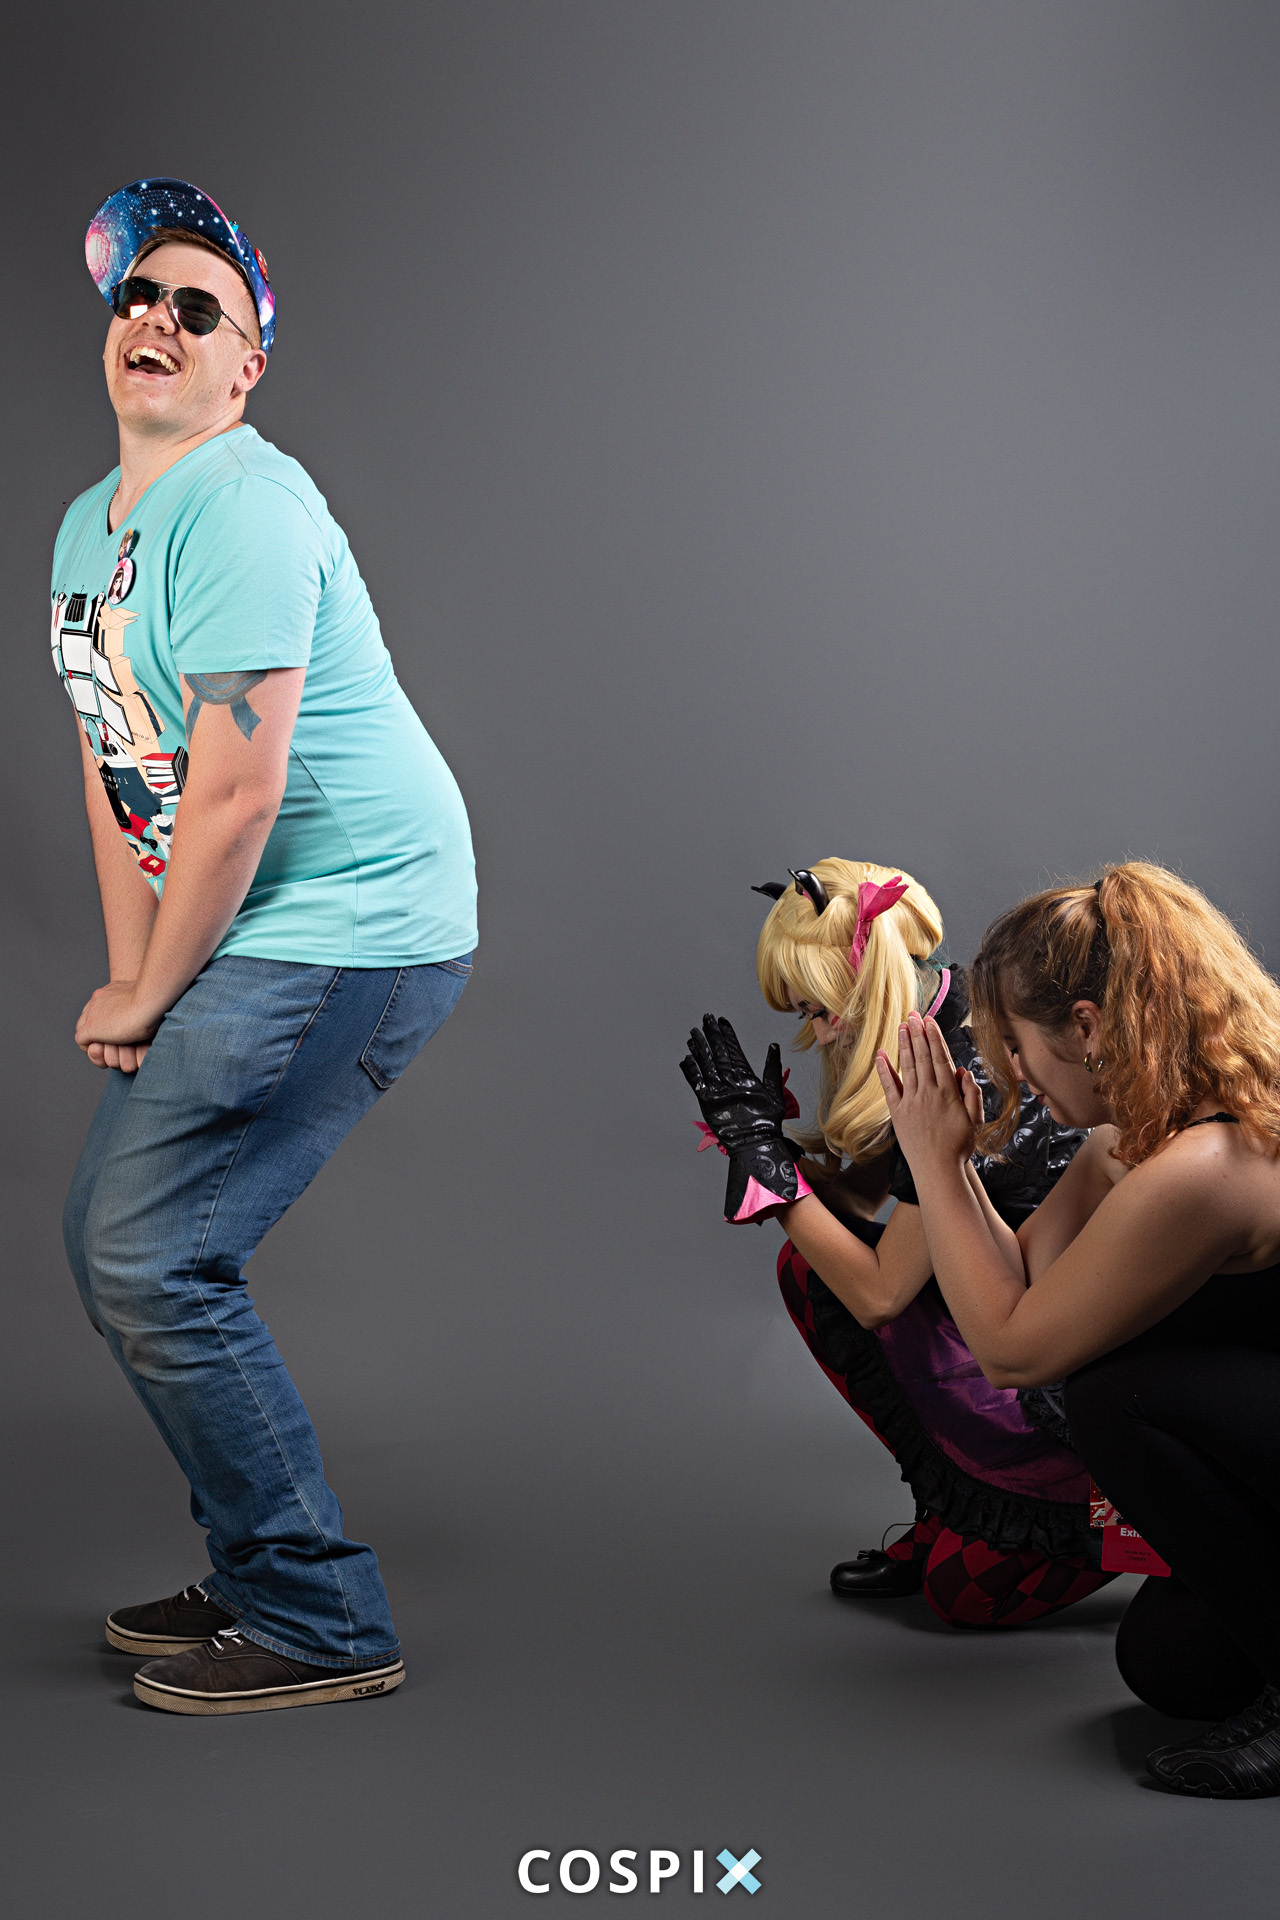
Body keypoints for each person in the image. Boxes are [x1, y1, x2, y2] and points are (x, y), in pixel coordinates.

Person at [54, 179, 477, 1715]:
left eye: (198, 307)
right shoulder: (88, 529)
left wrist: (158, 987)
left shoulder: (243, 504)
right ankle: (259, 1570)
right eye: (136, 297)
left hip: (355, 919)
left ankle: (317, 1612)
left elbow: (233, 795)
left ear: (246, 366)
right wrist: (133, 986)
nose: (156, 321)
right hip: (249, 922)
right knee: (124, 1244)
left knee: (147, 1251)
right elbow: (122, 770)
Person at [877, 861, 1280, 1798]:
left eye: (1017, 1047)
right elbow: (1024, 1280)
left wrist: (931, 1169)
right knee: (1171, 1668)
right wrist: (951, 1163)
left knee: (1117, 1397)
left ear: (1089, 1028)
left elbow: (1014, 1351)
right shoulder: (1127, 1141)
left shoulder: (1212, 1164)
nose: (1012, 1075)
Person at [680, 859, 1112, 1630]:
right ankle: (948, 1503)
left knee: (966, 1594)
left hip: (1063, 1366)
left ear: (864, 985)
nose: (817, 1033)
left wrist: (766, 1167)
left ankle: (1130, 1527)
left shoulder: (964, 1064)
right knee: (812, 1267)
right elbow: (857, 1205)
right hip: (1002, 1299)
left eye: (819, 1010)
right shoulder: (932, 1018)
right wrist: (771, 1149)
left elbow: (881, 1294)